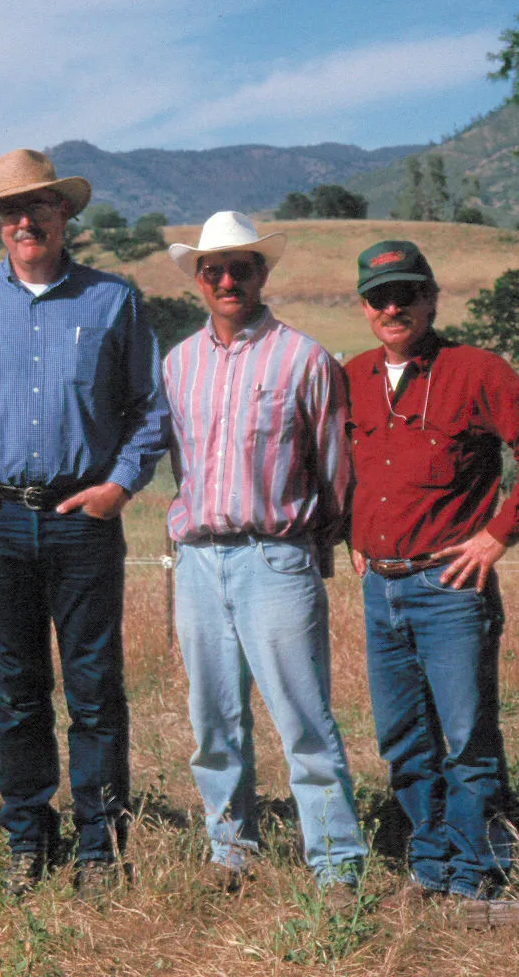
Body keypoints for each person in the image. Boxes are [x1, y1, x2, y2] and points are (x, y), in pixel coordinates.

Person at [0, 148, 169, 901]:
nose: (26, 221)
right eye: (11, 212)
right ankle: (28, 842)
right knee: (16, 691)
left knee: (94, 690)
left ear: (65, 216)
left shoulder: (112, 302)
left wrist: (118, 487)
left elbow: (149, 411)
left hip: (82, 519)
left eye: (40, 208)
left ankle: (100, 850)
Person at [345, 239, 519, 901]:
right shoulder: (353, 376)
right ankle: (430, 866)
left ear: (431, 299)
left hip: (450, 588)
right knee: (403, 740)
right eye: (379, 297)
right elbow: (334, 463)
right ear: (364, 307)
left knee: (466, 738)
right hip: (379, 586)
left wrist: (497, 536)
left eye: (407, 294)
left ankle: (477, 875)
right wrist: (350, 534)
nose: (393, 307)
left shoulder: (474, 371)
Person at [162, 212, 368, 905]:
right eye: (213, 269)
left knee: (303, 719)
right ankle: (230, 852)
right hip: (196, 560)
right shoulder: (177, 363)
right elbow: (179, 463)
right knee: (213, 721)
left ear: (263, 274)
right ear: (197, 278)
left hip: (276, 557)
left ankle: (337, 866)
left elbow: (334, 469)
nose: (227, 279)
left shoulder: (304, 359)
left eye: (240, 268)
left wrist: (312, 549)